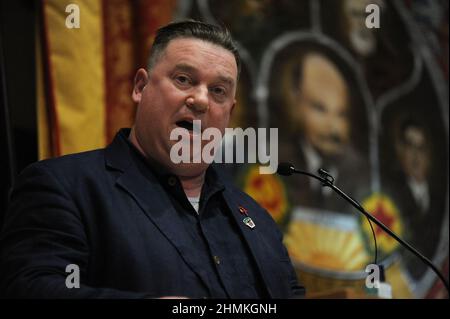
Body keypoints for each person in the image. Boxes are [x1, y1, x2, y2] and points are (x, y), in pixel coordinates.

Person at [0, 20, 304, 298]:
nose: (200, 100)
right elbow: (31, 290)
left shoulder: (256, 217)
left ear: (229, 113)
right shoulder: (66, 187)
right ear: (140, 87)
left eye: (218, 91)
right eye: (184, 79)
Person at [282, 51, 368, 212]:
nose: (332, 127)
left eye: (341, 114)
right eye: (320, 109)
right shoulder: (275, 161)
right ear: (296, 102)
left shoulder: (360, 172)